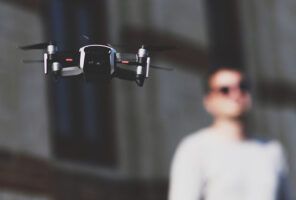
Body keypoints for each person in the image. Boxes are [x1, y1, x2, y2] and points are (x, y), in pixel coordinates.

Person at [168, 66, 291, 200]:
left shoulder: (272, 149)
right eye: (225, 90)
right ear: (209, 101)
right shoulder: (194, 149)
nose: (236, 94)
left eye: (242, 87)